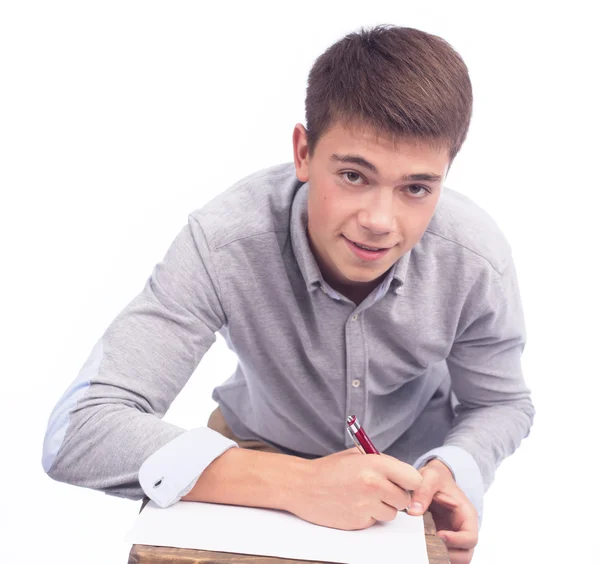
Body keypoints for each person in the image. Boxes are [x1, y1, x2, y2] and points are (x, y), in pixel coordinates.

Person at [42, 25, 534, 564]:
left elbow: (502, 402)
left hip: (403, 481)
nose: (379, 221)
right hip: (254, 454)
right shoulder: (224, 241)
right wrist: (302, 483)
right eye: (352, 175)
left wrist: (453, 467)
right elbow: (79, 429)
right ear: (303, 153)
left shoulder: (477, 258)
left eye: (416, 188)